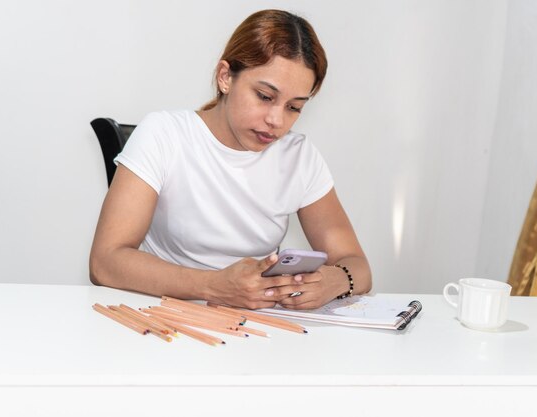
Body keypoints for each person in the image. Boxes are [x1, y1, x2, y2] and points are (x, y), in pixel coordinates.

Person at [89, 9, 371, 310]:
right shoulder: (164, 134)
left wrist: (334, 281)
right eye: (264, 96)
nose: (277, 120)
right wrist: (214, 286)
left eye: (294, 107)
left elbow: (358, 266)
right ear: (225, 77)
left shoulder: (298, 156)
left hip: (257, 328)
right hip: (168, 318)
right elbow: (105, 261)